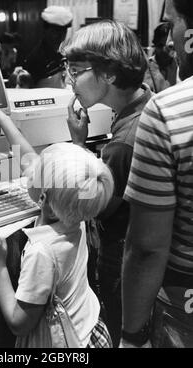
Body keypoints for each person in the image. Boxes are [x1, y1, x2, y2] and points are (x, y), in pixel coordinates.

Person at [0, 94, 114, 348]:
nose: (30, 171)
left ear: (43, 199)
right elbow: (29, 161)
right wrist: (2, 118)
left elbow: (19, 322)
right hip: (92, 327)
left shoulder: (42, 253)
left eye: (36, 174)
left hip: (68, 344)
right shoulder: (76, 211)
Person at [63, 20, 152, 347]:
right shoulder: (144, 103)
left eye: (76, 70)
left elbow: (89, 204)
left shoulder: (123, 143)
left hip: (121, 267)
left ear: (109, 75)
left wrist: (77, 146)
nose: (70, 80)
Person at [120, 0, 193, 348]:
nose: (168, 40)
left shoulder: (167, 110)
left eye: (172, 23)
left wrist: (132, 335)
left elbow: (148, 247)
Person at [23, 6, 72, 88]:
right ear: (45, 30)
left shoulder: (60, 53)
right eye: (55, 31)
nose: (60, 36)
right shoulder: (36, 57)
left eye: (63, 31)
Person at [144, 22, 178, 92]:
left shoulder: (180, 67)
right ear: (155, 45)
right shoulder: (146, 68)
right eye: (160, 45)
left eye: (168, 47)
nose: (164, 50)